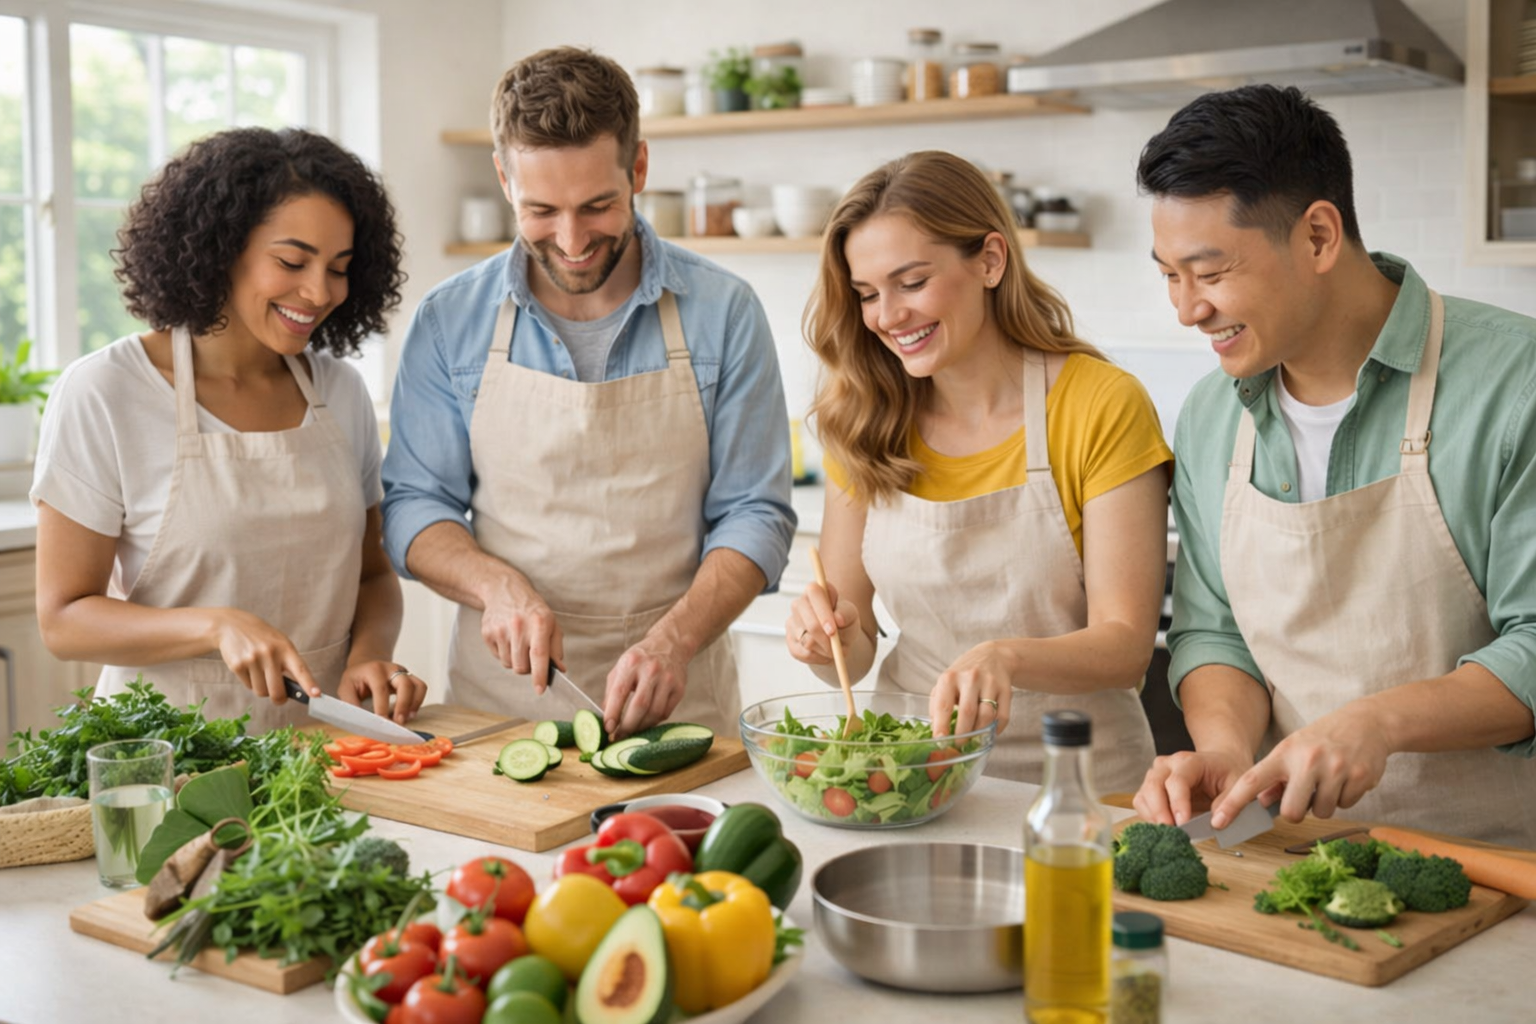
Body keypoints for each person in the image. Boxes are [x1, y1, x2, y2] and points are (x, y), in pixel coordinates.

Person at [1134, 85, 1536, 848]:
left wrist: (1376, 720)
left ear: (1319, 236)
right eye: (1168, 275)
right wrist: (1221, 746)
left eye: (1210, 272)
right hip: (1290, 862)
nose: (1187, 310)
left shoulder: (1518, 384)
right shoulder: (1212, 414)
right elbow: (1215, 630)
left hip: (1501, 869)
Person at [381, 47, 795, 738]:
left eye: (597, 205)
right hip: (501, 708)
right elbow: (413, 507)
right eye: (542, 210)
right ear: (504, 180)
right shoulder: (450, 319)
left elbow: (756, 512)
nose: (571, 241)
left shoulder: (724, 311)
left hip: (681, 700)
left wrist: (675, 641)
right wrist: (496, 588)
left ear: (638, 169)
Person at [785, 150, 1170, 789]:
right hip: (913, 776)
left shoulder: (1098, 403)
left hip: (1082, 781)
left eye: (911, 283)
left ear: (990, 260)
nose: (887, 316)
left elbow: (1127, 645)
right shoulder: (862, 418)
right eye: (867, 295)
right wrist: (824, 639)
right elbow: (849, 653)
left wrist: (1005, 657)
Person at [32, 127, 426, 732]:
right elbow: (64, 619)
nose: (320, 292)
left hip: (324, 746)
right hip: (168, 754)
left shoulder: (338, 392)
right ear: (221, 248)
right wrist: (214, 624)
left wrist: (371, 654)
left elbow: (373, 575)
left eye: (340, 268)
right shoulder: (106, 392)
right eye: (292, 261)